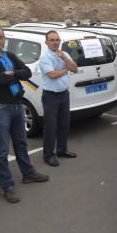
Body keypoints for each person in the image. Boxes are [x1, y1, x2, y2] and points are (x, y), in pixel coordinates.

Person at [0, 27, 48, 204]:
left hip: (17, 104)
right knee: (2, 149)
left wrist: (13, 73)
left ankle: (28, 174)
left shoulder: (9, 56)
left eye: (1, 37)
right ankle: (7, 186)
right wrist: (13, 75)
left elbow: (27, 72)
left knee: (21, 143)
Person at [37, 31, 79, 167]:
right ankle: (48, 155)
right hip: (51, 96)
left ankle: (62, 150)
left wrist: (65, 60)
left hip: (64, 94)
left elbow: (75, 69)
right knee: (50, 126)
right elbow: (52, 75)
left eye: (57, 40)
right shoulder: (44, 58)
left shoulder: (64, 54)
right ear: (47, 42)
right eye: (52, 40)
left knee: (64, 124)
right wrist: (66, 70)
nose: (55, 42)